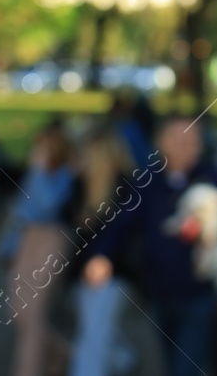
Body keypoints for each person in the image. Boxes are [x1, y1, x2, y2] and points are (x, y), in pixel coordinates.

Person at [86, 116, 217, 376]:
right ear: (162, 143)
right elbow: (120, 224)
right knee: (171, 360)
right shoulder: (147, 183)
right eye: (180, 140)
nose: (188, 147)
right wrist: (102, 256)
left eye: (194, 141)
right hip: (159, 292)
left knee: (188, 365)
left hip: (201, 293)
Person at [2, 122, 77, 376]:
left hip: (52, 238)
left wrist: (41, 171)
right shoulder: (35, 174)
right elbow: (18, 215)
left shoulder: (64, 176)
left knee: (33, 314)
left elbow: (47, 205)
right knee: (17, 311)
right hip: (27, 238)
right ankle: (61, 354)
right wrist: (9, 248)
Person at [68, 127, 138, 376]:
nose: (78, 160)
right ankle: (126, 362)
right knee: (98, 333)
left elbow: (119, 231)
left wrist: (102, 256)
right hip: (82, 276)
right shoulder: (81, 187)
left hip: (110, 276)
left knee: (91, 342)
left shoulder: (126, 190)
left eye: (84, 155)